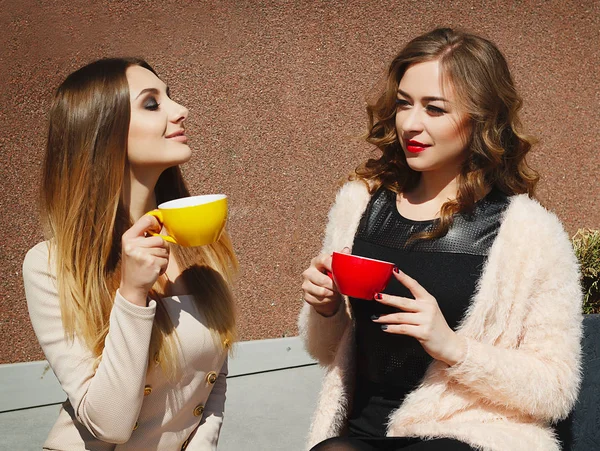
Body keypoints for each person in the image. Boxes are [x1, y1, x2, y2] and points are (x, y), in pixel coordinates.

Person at [299, 28, 583, 451]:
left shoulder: (528, 233)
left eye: (434, 109)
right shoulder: (359, 205)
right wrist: (324, 311)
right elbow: (329, 352)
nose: (410, 124)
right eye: (403, 104)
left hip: (470, 433)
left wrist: (453, 347)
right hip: (363, 431)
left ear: (482, 118)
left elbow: (555, 389)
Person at [23, 58, 238, 450]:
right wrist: (132, 295)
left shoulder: (196, 247)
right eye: (152, 103)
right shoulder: (52, 265)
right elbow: (109, 425)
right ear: (102, 133)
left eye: (169, 97)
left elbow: (213, 386)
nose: (180, 110)